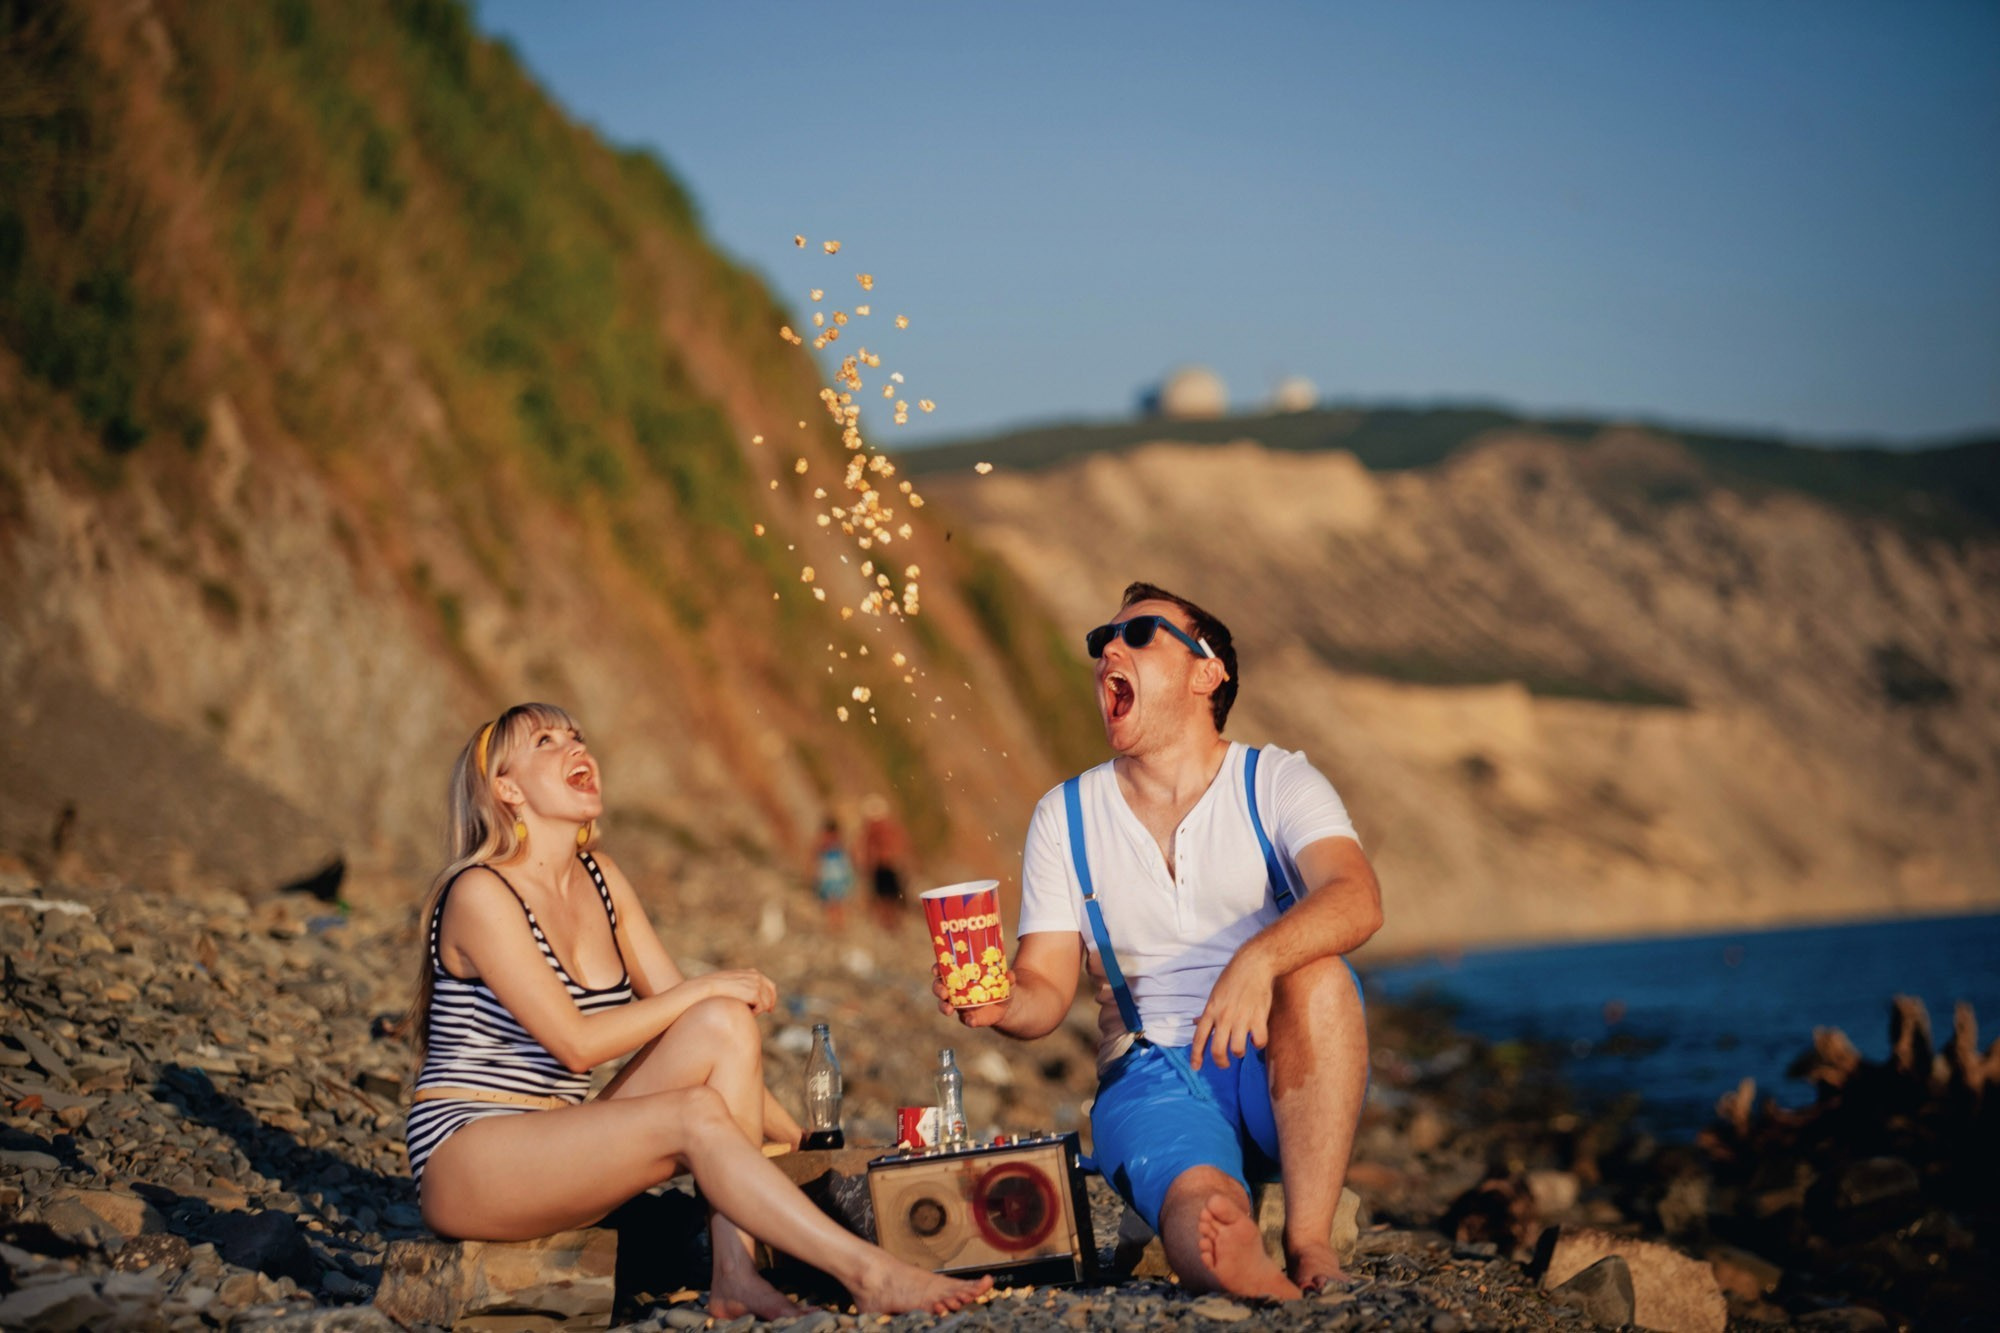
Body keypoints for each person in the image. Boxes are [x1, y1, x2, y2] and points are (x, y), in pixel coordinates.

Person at [408, 703, 990, 1319]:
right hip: (469, 1156)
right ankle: (869, 1274)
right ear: (506, 788)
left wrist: (800, 1139)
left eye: (576, 735)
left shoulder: (600, 878)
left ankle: (735, 1274)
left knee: (724, 1022)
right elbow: (576, 1045)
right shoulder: (480, 892)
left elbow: (701, 1028)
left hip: (563, 1142)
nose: (575, 747)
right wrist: (703, 987)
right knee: (695, 1091)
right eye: (546, 741)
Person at [936, 584, 1382, 1300]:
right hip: (1151, 1070)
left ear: (1208, 673)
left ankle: (1310, 1244)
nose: (1109, 648)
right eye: (1101, 640)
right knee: (1201, 1208)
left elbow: (1357, 897)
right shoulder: (1066, 815)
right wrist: (999, 1003)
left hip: (1275, 1060)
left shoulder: (1274, 782)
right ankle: (1232, 1251)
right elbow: (1044, 989)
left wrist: (1259, 958)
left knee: (1320, 973)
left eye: (1139, 633)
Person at [858, 794, 909, 930]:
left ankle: (891, 922)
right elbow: (868, 849)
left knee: (890, 896)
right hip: (883, 866)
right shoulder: (877, 830)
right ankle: (889, 922)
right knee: (886, 896)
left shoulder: (882, 829)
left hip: (888, 866)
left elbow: (897, 845)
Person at [809, 817, 854, 930]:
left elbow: (846, 859)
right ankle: (833, 924)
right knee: (831, 902)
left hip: (836, 875)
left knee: (838, 901)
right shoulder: (825, 844)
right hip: (830, 876)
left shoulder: (838, 844)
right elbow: (816, 858)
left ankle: (838, 924)